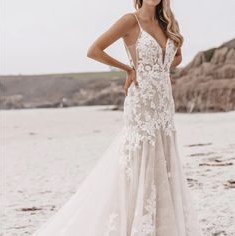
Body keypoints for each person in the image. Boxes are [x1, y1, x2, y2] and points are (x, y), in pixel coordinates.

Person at [32, 0, 204, 235]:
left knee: (162, 158)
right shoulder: (129, 21)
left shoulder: (168, 22)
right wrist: (130, 68)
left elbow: (177, 56)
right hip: (141, 104)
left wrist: (159, 69)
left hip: (164, 105)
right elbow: (94, 50)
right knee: (139, 159)